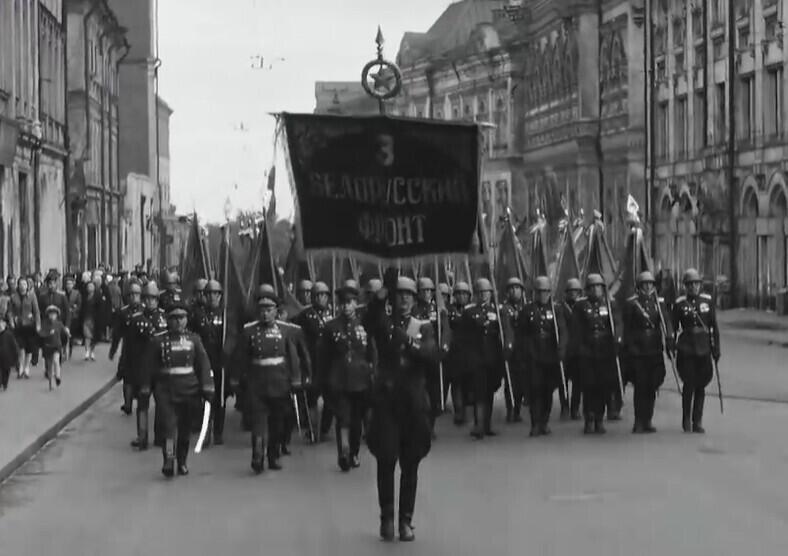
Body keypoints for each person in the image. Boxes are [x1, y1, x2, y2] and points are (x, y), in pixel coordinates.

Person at [365, 275, 437, 542]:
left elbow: (431, 354)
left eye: (409, 295)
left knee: (410, 463)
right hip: (387, 402)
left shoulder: (423, 326)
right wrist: (383, 290)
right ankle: (387, 517)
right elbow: (370, 318)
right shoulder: (383, 323)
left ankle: (406, 520)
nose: (404, 299)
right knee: (386, 460)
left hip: (413, 403)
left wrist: (407, 341)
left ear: (415, 300)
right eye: (400, 295)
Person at [234, 285, 302, 473]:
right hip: (257, 383)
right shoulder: (249, 331)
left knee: (277, 423)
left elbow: (293, 357)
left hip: (279, 382)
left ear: (276, 311)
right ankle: (257, 455)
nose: (265, 313)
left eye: (269, 309)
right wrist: (236, 379)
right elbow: (241, 357)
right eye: (262, 309)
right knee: (258, 422)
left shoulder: (286, 331)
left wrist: (296, 379)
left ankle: (273, 456)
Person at [146, 302, 214, 477]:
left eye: (182, 317)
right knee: (169, 427)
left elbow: (203, 364)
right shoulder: (158, 340)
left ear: (187, 319)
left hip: (189, 389)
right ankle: (169, 459)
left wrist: (207, 386)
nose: (178, 322)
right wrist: (146, 387)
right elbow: (149, 366)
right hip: (166, 390)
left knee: (184, 430)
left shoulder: (194, 340)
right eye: (174, 318)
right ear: (167, 320)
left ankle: (182, 461)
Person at [319, 279, 375, 471]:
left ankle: (354, 453)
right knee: (343, 417)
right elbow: (323, 355)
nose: (346, 306)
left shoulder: (364, 324)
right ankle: (343, 451)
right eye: (343, 303)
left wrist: (373, 370)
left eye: (350, 302)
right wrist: (323, 379)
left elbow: (371, 351)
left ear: (355, 303)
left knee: (357, 419)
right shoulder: (330, 327)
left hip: (361, 378)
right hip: (339, 378)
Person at [623, 271, 674, 433]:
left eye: (650, 284)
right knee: (640, 386)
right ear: (639, 286)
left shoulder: (658, 302)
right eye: (644, 284)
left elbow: (666, 322)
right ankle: (638, 421)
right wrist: (628, 346)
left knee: (652, 385)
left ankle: (648, 420)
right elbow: (627, 328)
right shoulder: (632, 303)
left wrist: (670, 338)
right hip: (638, 350)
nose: (647, 286)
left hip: (654, 348)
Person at [572, 274, 622, 435]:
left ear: (603, 288)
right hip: (587, 351)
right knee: (589, 387)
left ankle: (599, 418)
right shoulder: (580, 306)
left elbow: (617, 323)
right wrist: (579, 349)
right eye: (592, 287)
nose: (595, 290)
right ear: (587, 290)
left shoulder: (609, 304)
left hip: (605, 350)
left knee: (603, 386)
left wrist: (617, 339)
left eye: (598, 286)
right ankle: (589, 418)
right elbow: (576, 329)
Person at [672, 268, 720, 433]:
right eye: (690, 284)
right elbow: (673, 326)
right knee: (688, 385)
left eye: (696, 283)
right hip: (686, 348)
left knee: (701, 385)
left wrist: (716, 348)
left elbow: (713, 326)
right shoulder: (680, 303)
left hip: (703, 347)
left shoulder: (707, 301)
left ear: (700, 285)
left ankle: (697, 420)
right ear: (685, 286)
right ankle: (686, 418)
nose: (693, 287)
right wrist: (671, 343)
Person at [518, 276, 567, 436]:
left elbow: (562, 331)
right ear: (534, 293)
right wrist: (524, 353)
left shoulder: (556, 309)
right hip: (534, 355)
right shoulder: (527, 310)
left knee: (547, 391)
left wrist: (561, 348)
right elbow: (521, 334)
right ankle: (535, 423)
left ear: (550, 292)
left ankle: (544, 421)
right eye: (539, 292)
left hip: (550, 355)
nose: (542, 295)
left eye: (545, 291)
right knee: (535, 390)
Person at [464, 278, 505, 439]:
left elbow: (503, 333)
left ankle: (487, 425)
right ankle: (479, 425)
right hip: (477, 358)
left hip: (493, 358)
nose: (483, 295)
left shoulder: (497, 311)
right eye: (480, 292)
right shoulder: (469, 312)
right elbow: (464, 337)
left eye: (486, 292)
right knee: (479, 393)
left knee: (489, 392)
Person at [191, 279, 226, 445]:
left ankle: (218, 431)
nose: (212, 297)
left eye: (215, 294)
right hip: (203, 362)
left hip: (220, 363)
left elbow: (231, 337)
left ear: (220, 296)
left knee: (219, 399)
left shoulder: (225, 314)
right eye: (209, 294)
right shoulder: (198, 315)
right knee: (205, 397)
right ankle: (205, 431)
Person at [110, 281, 143, 415]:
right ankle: (127, 403)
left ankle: (141, 401)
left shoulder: (145, 310)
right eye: (131, 295)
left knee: (141, 377)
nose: (134, 297)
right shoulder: (123, 312)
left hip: (143, 349)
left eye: (136, 294)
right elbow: (117, 333)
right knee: (127, 376)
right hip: (128, 349)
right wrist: (113, 350)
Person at [557, 278, 583, 420]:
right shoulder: (560, 308)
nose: (573, 294)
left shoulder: (582, 306)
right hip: (565, 349)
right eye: (571, 291)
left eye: (576, 291)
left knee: (578, 381)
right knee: (563, 380)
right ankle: (564, 406)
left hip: (578, 349)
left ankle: (575, 408)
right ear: (566, 293)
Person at [502, 277, 526, 423]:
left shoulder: (526, 307)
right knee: (510, 381)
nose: (514, 291)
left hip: (524, 350)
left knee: (522, 382)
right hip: (511, 350)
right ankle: (510, 410)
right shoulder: (504, 309)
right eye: (511, 288)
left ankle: (517, 409)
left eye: (517, 288)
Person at [10, 277, 41, 379]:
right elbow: (10, 311)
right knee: (21, 348)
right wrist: (12, 320)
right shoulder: (14, 297)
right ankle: (21, 368)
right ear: (18, 285)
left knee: (29, 349)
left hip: (30, 325)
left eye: (24, 284)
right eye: (20, 284)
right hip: (19, 326)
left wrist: (38, 324)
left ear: (27, 286)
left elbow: (36, 311)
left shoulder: (32, 296)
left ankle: (27, 368)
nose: (22, 286)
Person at [38, 305, 70, 387]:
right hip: (47, 346)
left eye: (54, 314)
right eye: (51, 314)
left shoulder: (59, 323)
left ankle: (58, 376)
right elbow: (41, 333)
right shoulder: (45, 324)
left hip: (56, 345)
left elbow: (64, 331)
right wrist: (48, 333)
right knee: (48, 363)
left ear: (57, 315)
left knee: (56, 360)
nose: (52, 316)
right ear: (48, 315)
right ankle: (49, 375)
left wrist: (67, 333)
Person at [0, 316, 19, 391]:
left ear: (4, 324)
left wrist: (15, 358)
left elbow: (14, 346)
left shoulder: (9, 335)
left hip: (7, 357)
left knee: (6, 371)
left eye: (1, 323)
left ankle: (5, 383)